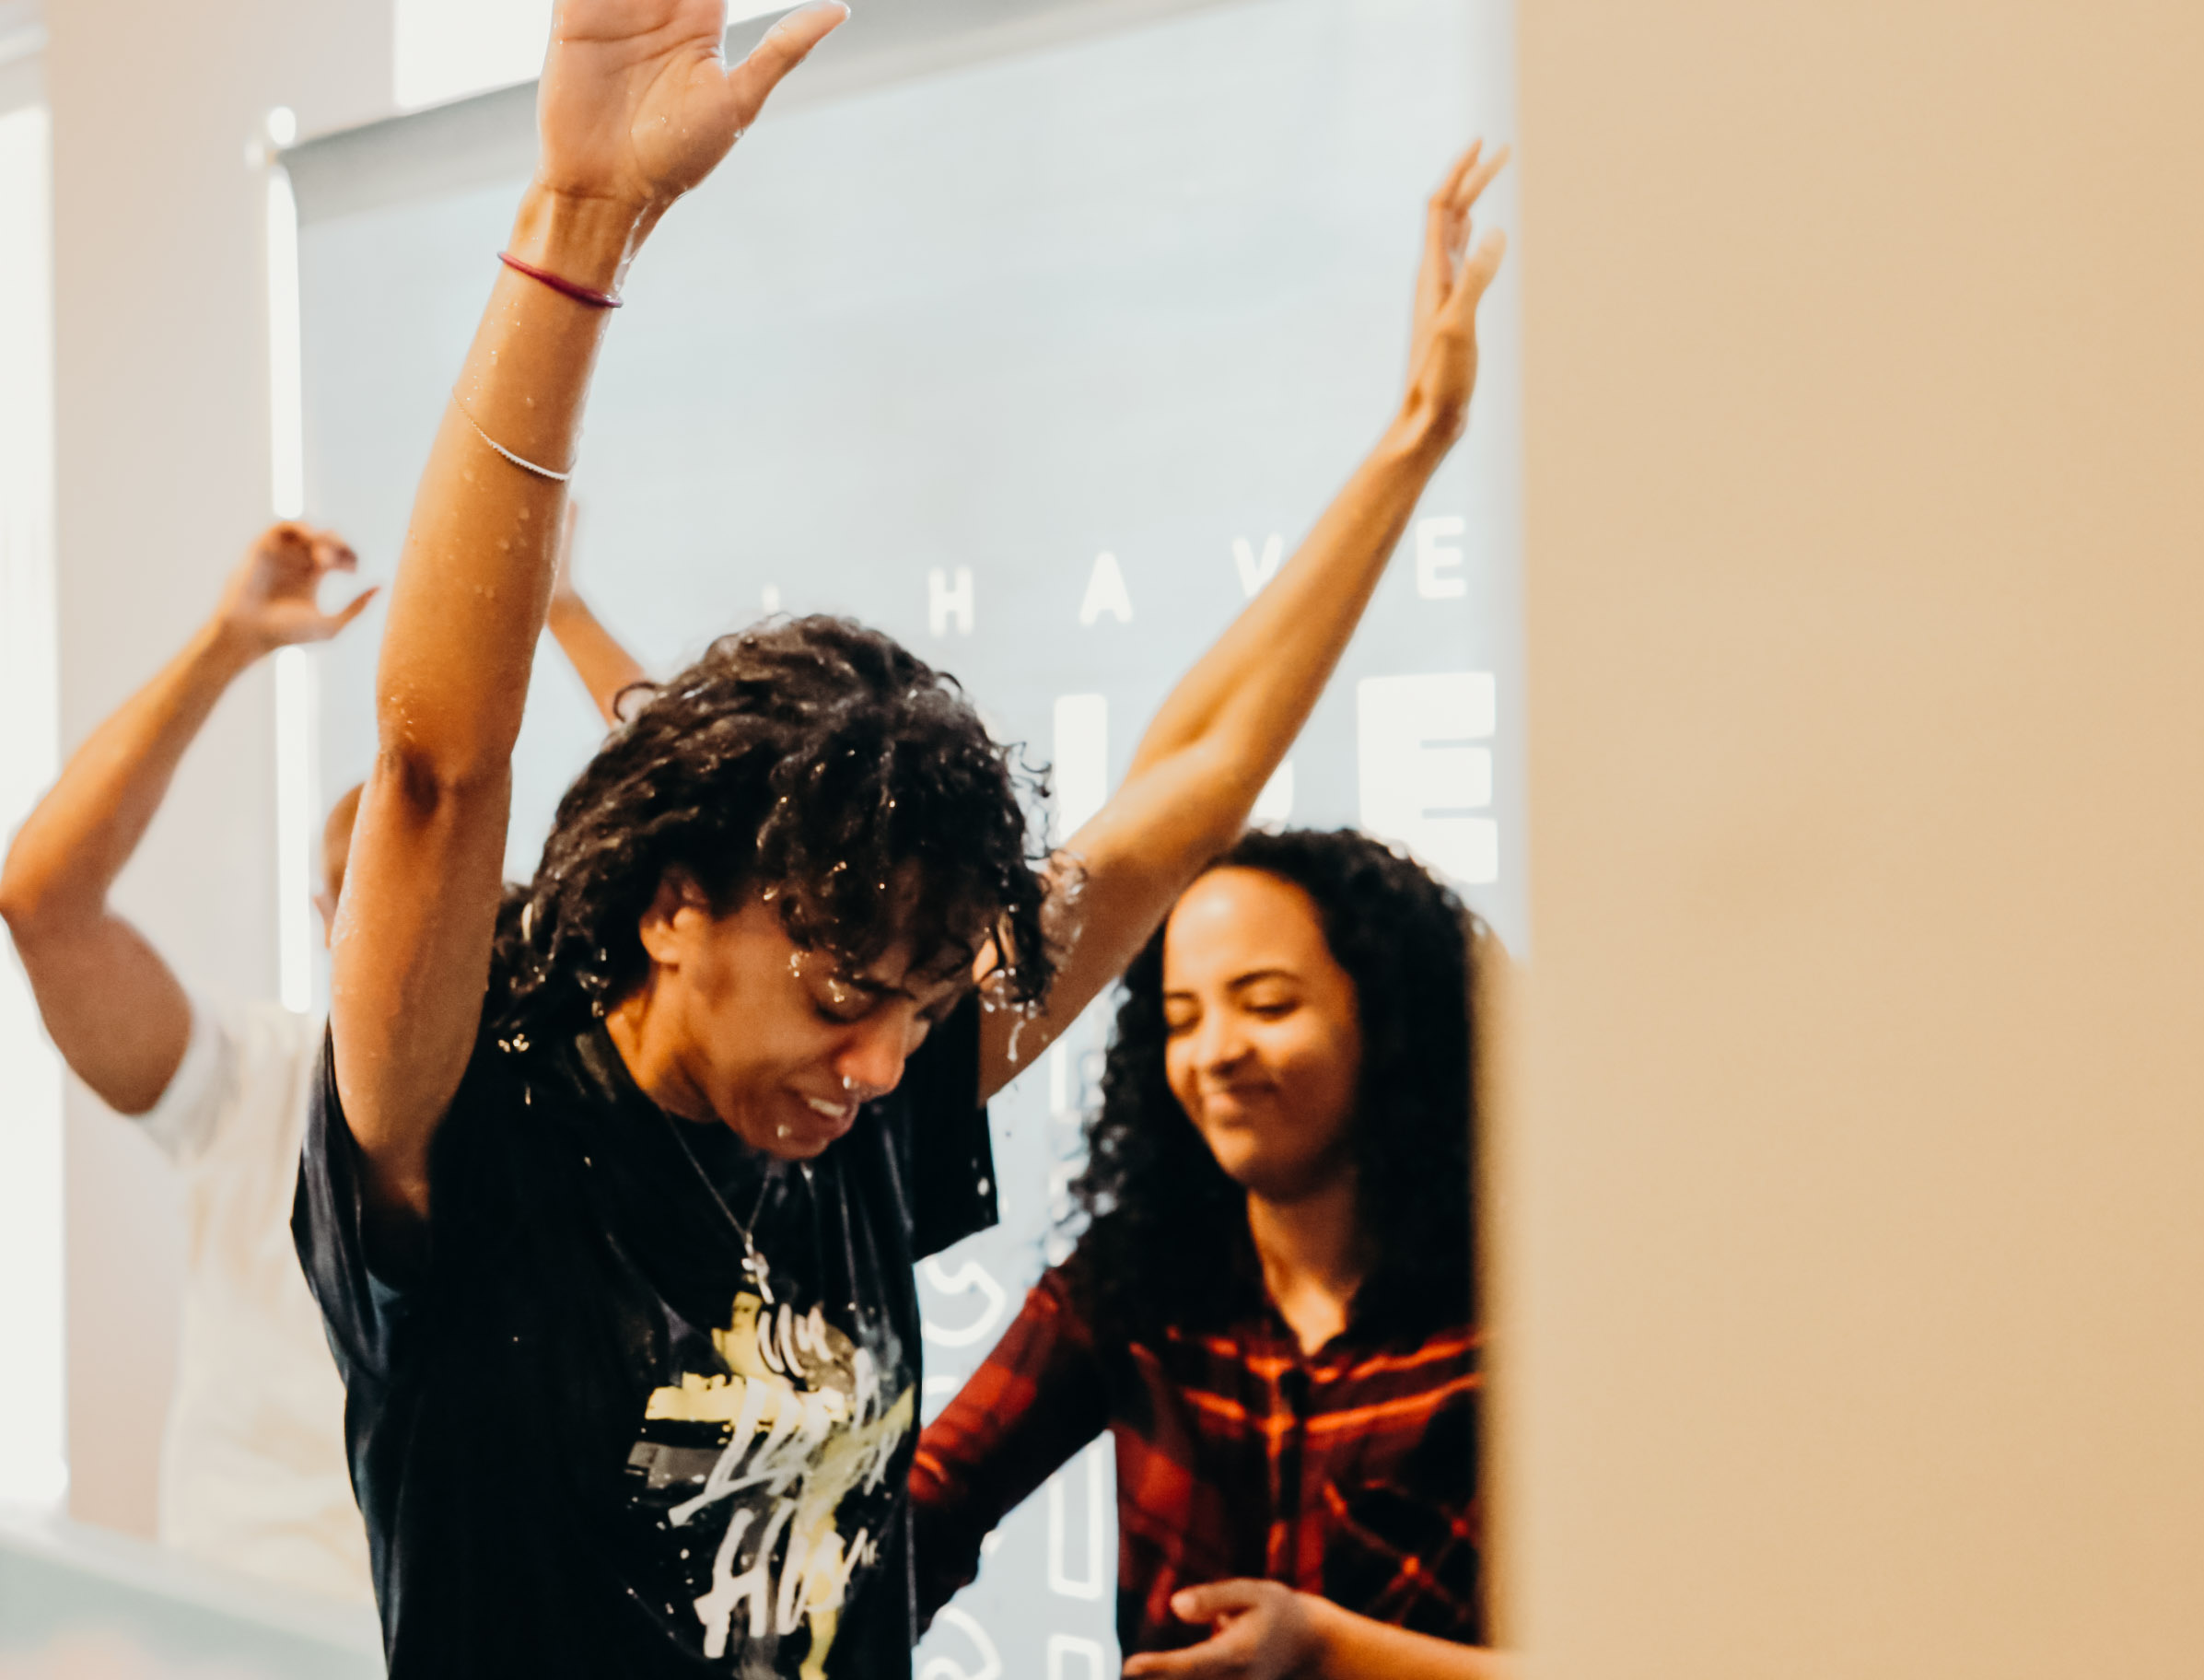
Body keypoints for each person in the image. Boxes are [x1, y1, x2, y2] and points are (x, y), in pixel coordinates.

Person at [294, 0, 1503, 1668]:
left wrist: (1410, 445)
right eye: (841, 992)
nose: (878, 1062)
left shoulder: (859, 1107)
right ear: (671, 903)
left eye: (924, 1009)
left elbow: (1192, 775)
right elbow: (438, 763)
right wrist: (577, 222)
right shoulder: (470, 1127)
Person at [0, 519, 643, 1602]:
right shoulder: (246, 1083)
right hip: (255, 1630)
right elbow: (44, 907)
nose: (415, 931)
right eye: (379, 899)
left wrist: (562, 609)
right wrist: (227, 643)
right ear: (326, 917)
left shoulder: (571, 1099)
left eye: (452, 894)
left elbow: (721, 865)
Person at [912, 830, 1497, 1680]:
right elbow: (932, 1503)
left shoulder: (1523, 1315)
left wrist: (1336, 1653)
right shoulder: (1133, 1282)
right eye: (1183, 1019)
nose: (1217, 1053)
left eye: (1266, 1005)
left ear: (1395, 1021)